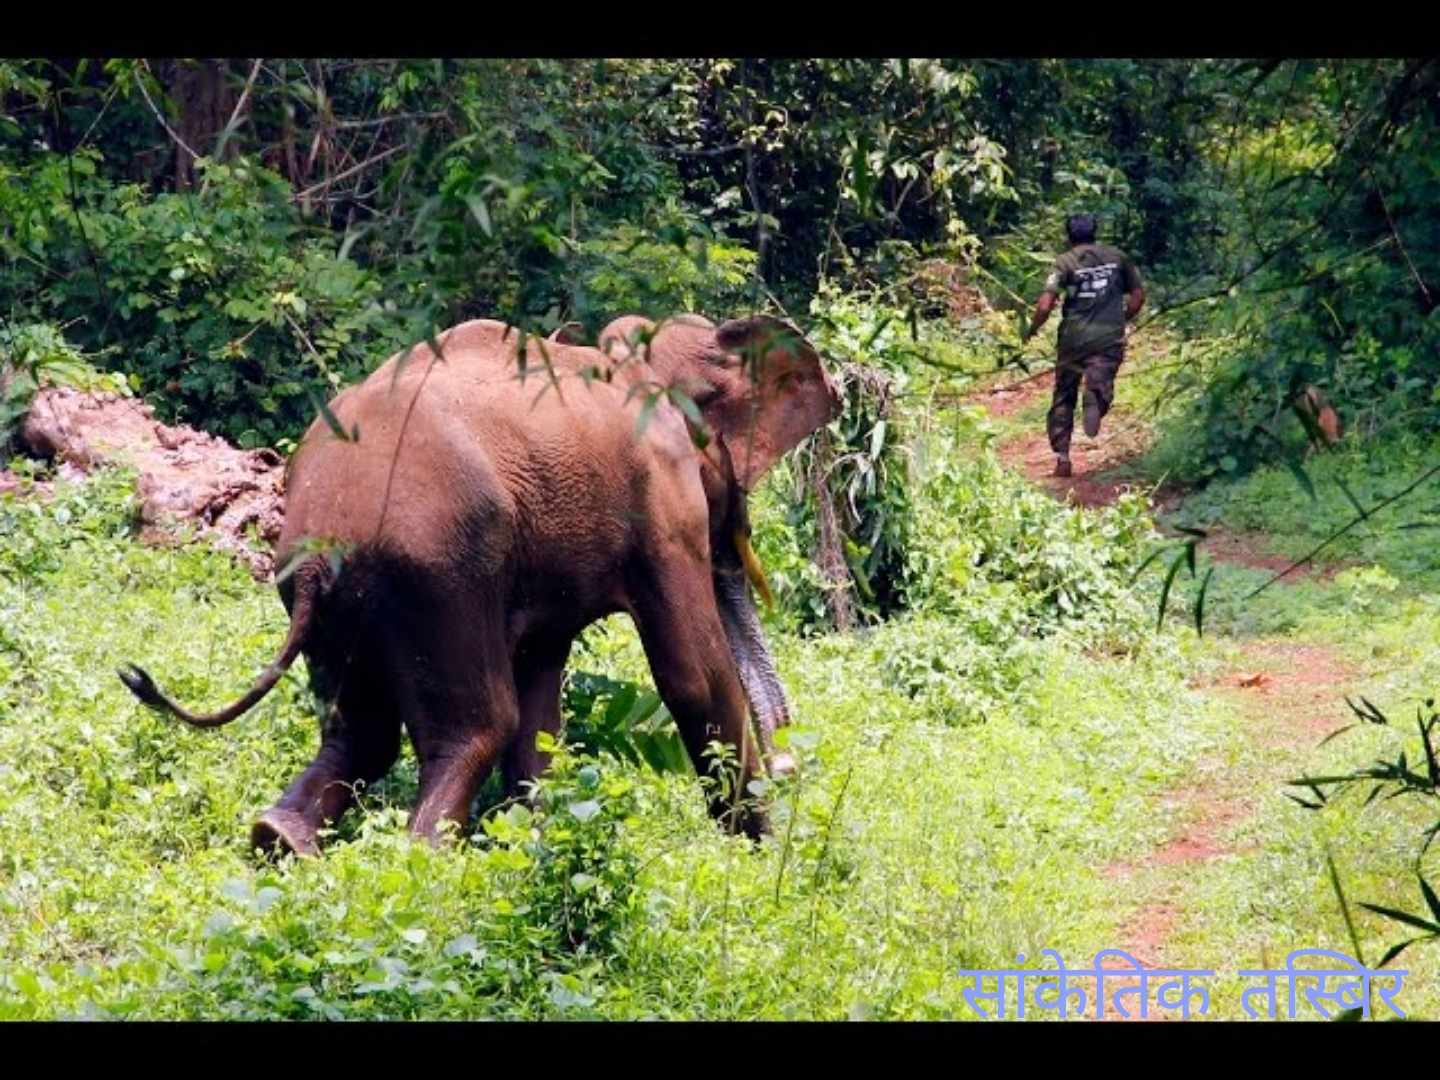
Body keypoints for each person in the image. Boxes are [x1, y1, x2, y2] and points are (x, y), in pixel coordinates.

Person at [1021, 213, 1145, 477]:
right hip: (1108, 336)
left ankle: (1063, 458)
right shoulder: (1117, 257)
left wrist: (1031, 330)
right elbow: (1137, 296)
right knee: (1103, 376)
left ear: (1069, 236)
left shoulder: (1064, 262)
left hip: (1072, 339)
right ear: (1095, 232)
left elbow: (1045, 304)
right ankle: (1096, 397)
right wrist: (1122, 319)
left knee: (1064, 394)